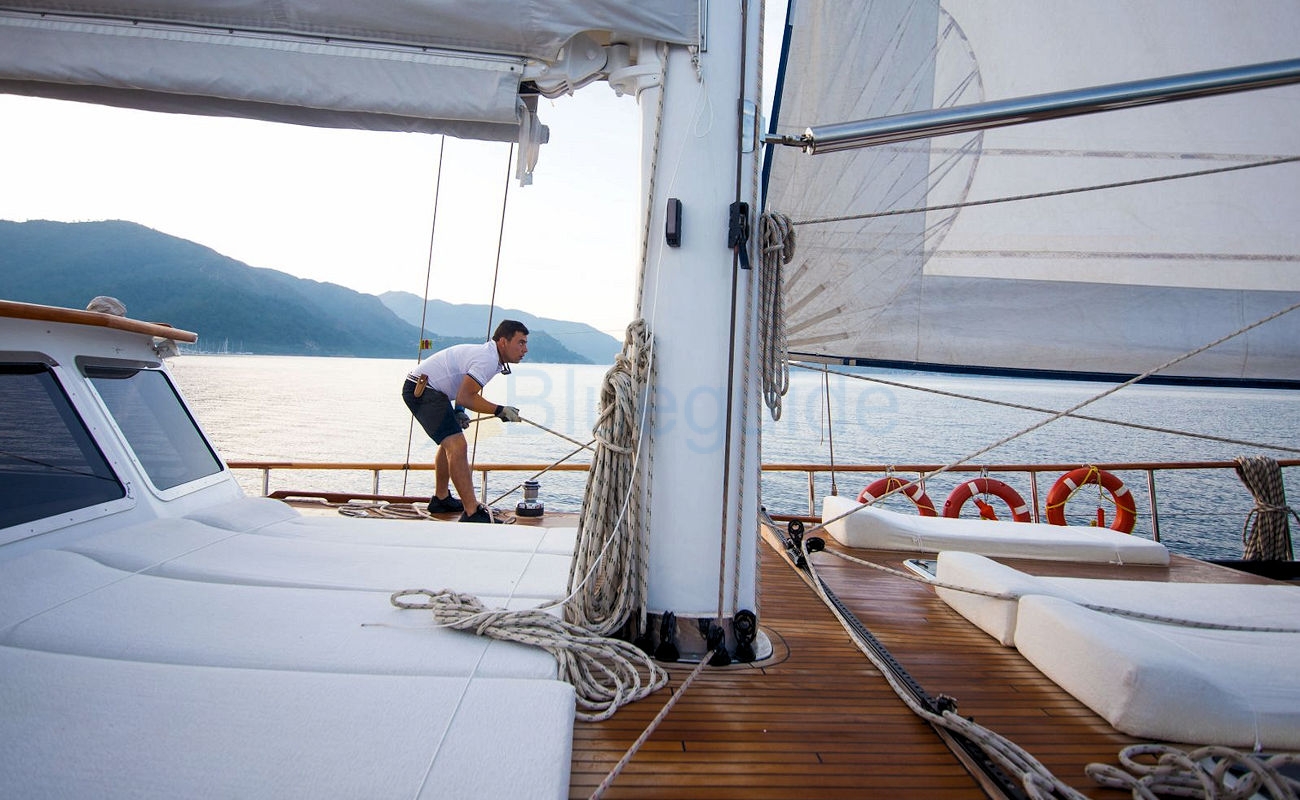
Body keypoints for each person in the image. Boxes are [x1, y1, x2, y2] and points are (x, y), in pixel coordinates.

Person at [401, 320, 527, 523]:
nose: (525, 349)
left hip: (431, 390)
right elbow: (466, 396)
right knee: (457, 445)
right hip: (423, 390)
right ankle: (471, 512)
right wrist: (500, 410)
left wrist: (458, 411)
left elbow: (461, 387)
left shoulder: (491, 357)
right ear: (503, 341)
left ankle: (441, 499)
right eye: (521, 343)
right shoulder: (487, 359)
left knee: (449, 442)